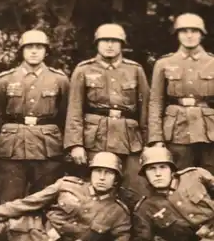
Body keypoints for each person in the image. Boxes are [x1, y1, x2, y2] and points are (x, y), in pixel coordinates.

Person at [64, 23, 150, 197]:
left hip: (130, 141)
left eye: (114, 41)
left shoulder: (135, 70)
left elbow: (146, 110)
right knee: (95, 190)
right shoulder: (84, 69)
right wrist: (75, 144)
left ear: (122, 45)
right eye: (105, 41)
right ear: (97, 44)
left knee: (135, 189)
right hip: (95, 138)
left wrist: (150, 143)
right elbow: (74, 109)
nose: (110, 45)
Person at [0, 152, 131, 241]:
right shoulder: (68, 185)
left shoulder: (119, 213)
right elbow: (26, 204)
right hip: (28, 232)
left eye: (108, 173)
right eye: (98, 171)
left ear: (116, 179)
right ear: (90, 173)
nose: (101, 177)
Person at [0, 29, 70, 205]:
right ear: (21, 51)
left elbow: (65, 115)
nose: (33, 51)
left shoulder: (59, 80)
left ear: (46, 51)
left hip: (47, 148)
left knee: (46, 198)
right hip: (12, 147)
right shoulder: (5, 80)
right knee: (8, 199)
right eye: (29, 47)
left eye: (39, 47)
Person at [148, 13, 214, 174]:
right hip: (177, 131)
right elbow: (156, 102)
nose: (189, 35)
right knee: (179, 177)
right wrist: (156, 138)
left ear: (202, 34)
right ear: (177, 34)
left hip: (209, 131)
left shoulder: (212, 63)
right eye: (184, 31)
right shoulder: (164, 63)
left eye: (194, 31)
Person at [133, 146, 214, 241]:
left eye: (163, 167)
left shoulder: (195, 176)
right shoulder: (145, 208)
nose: (158, 173)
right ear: (145, 174)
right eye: (151, 169)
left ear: (172, 170)